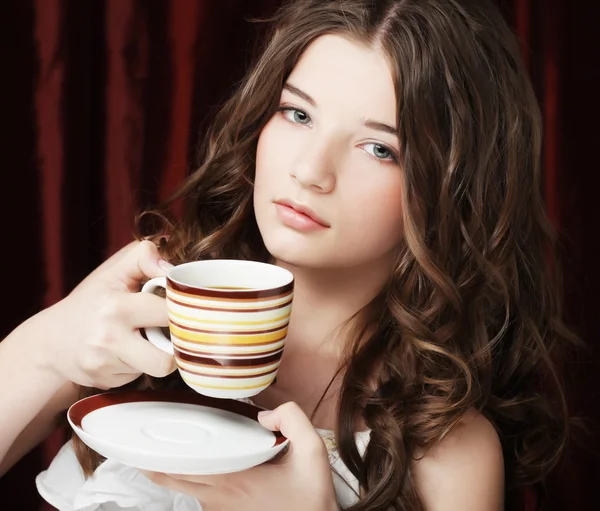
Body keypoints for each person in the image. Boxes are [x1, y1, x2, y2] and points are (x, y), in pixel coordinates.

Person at [0, 0, 580, 509]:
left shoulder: (448, 450)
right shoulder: (145, 298)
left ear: (452, 192)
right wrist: (48, 349)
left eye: (379, 148)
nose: (309, 171)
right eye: (297, 114)